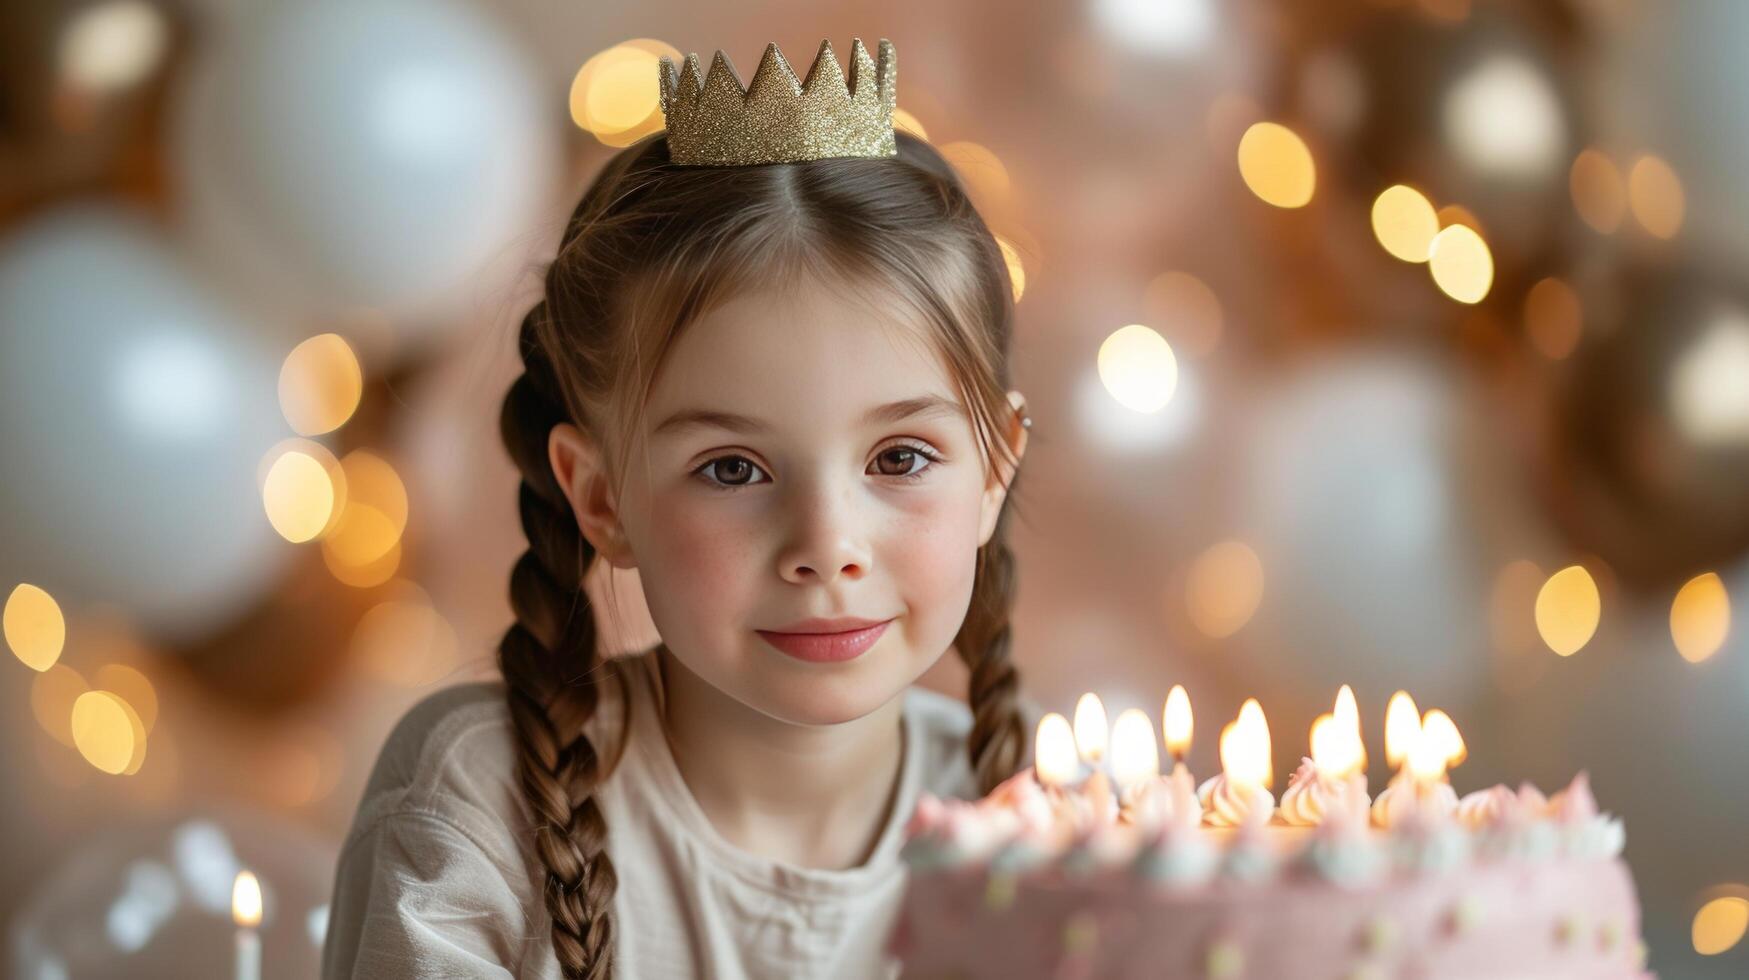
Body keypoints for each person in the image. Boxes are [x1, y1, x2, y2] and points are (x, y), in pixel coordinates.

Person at [323, 37, 1035, 979]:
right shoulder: (478, 800)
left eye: (899, 457)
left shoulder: (1047, 837)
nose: (826, 548)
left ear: (993, 470)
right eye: (733, 469)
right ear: (601, 496)